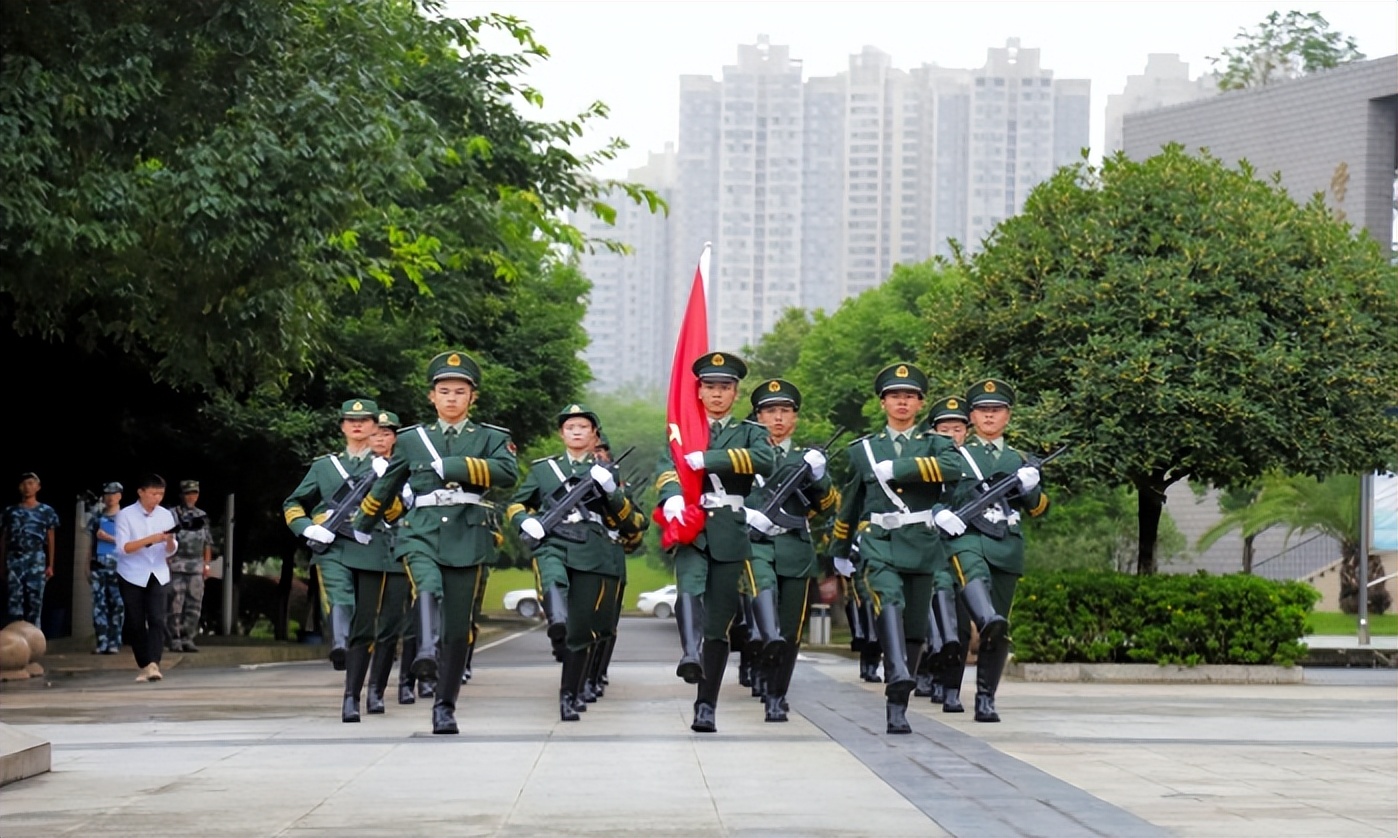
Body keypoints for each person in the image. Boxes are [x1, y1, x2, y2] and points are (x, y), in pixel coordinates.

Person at [352, 351, 517, 735]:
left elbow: (507, 472)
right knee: (425, 583)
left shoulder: (492, 437)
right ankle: (425, 650)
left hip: (469, 532)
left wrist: (456, 466)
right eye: (444, 391)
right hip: (421, 529)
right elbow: (388, 482)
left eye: (460, 391)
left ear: (472, 397)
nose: (452, 398)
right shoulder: (412, 439)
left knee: (459, 629)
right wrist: (364, 522)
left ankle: (445, 705)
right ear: (432, 397)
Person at [829, 363, 967, 734]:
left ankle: (897, 707)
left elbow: (954, 469)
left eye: (909, 396)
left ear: (920, 404)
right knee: (887, 599)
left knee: (915, 628)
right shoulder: (864, 451)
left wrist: (901, 469)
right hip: (881, 542)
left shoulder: (937, 444)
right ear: (883, 403)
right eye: (894, 396)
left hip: (922, 543)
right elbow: (851, 502)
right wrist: (839, 549)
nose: (902, 402)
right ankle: (899, 674)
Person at [653, 351, 776, 733]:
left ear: (736, 393)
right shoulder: (682, 429)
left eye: (725, 387)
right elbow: (665, 467)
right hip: (693, 526)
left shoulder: (751, 431)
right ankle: (689, 653)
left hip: (729, 529)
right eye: (710, 387)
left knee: (720, 623)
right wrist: (671, 494)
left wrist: (708, 458)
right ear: (699, 392)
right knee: (688, 587)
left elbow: (764, 461)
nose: (717, 394)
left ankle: (706, 704)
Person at [508, 404, 646, 720]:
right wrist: (524, 522)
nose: (576, 431)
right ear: (562, 433)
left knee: (581, 631)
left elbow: (628, 522)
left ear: (593, 434)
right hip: (554, 540)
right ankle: (556, 619)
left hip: (592, 550)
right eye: (570, 427)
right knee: (552, 577)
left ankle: (569, 695)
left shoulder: (607, 473)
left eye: (583, 427)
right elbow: (517, 503)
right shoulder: (544, 469)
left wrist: (611, 490)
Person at [284, 398, 405, 722]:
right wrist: (307, 526)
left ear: (373, 427)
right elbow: (293, 501)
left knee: (366, 625)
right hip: (333, 545)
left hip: (371, 546)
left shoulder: (388, 466)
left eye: (364, 421)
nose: (357, 425)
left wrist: (385, 484)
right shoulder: (325, 466)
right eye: (351, 421)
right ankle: (338, 644)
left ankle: (353, 695)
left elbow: (397, 513)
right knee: (339, 595)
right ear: (342, 427)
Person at [940, 379, 1049, 722]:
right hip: (967, 539)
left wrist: (1031, 489)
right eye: (983, 410)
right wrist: (939, 513)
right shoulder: (956, 456)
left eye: (996, 410)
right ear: (971, 416)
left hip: (1006, 545)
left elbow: (1040, 510)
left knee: (999, 626)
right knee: (975, 590)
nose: (989, 415)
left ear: (1008, 416)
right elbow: (933, 498)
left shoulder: (1020, 460)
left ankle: (986, 697)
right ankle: (952, 682)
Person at [743, 379, 839, 722]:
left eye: (785, 411)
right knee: (763, 601)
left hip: (795, 547)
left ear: (795, 418)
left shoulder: (805, 459)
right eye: (770, 411)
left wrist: (819, 476)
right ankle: (761, 666)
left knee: (790, 630)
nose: (778, 418)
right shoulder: (744, 455)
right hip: (755, 545)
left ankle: (776, 693)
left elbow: (828, 506)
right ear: (757, 417)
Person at [913, 397, 970, 702]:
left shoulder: (974, 465)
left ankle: (951, 687)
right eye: (944, 430)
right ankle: (926, 671)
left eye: (957, 429)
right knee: (928, 615)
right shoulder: (923, 463)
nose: (951, 435)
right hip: (929, 548)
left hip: (965, 552)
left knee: (959, 624)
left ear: (967, 433)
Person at [362, 410, 416, 715]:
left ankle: (385, 688)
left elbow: (405, 512)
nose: (380, 439)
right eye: (375, 434)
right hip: (365, 553)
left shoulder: (407, 470)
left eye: (386, 434)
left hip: (398, 552)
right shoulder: (355, 468)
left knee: (398, 624)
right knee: (365, 624)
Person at [114, 474, 179, 682]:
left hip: (158, 572)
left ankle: (154, 663)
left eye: (160, 494)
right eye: (153, 493)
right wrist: (152, 539)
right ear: (141, 492)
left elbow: (170, 550)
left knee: (158, 618)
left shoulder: (166, 515)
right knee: (135, 621)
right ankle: (143, 663)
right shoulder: (125, 515)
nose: (157, 498)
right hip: (131, 573)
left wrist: (169, 542)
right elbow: (124, 548)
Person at [3, 472, 60, 627]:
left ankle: (34, 641)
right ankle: (16, 642)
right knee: (14, 602)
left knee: (35, 603)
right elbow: (4, 539)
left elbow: (50, 538)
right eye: (24, 484)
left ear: (38, 487)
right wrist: (2, 565)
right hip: (14, 558)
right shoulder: (10, 512)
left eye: (31, 483)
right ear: (19, 487)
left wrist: (50, 565)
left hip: (36, 558)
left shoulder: (46, 511)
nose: (27, 487)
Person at [166, 480, 213, 652]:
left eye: (194, 493)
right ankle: (175, 638)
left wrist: (206, 565)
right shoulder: (172, 514)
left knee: (194, 605)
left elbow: (208, 543)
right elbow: (166, 539)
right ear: (181, 495)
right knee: (175, 604)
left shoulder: (202, 516)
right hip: (177, 564)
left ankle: (188, 637)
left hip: (196, 566)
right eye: (188, 493)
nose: (191, 497)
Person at [87, 482, 125, 654]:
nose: (110, 497)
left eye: (113, 494)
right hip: (99, 565)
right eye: (107, 494)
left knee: (117, 605)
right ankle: (102, 640)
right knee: (98, 605)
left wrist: (108, 537)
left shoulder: (126, 518)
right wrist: (87, 565)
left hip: (119, 567)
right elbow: (91, 544)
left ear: (120, 496)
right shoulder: (97, 518)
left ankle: (114, 642)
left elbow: (130, 544)